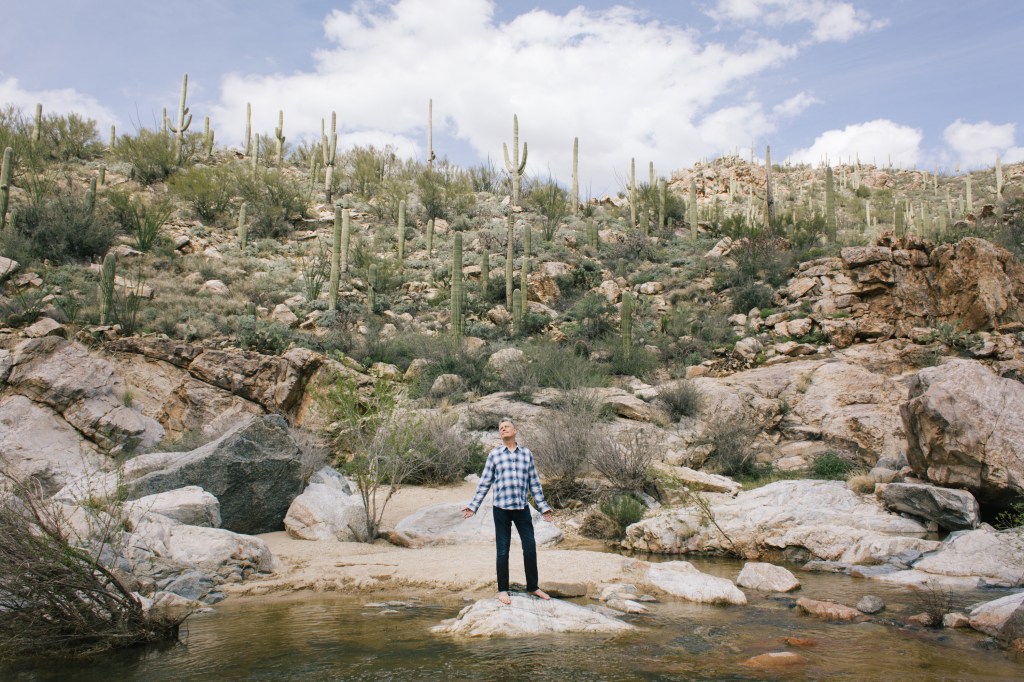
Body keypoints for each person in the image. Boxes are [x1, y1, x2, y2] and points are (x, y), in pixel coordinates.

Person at [463, 417, 554, 605]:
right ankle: (503, 590)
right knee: (502, 550)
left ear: (515, 430)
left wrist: (543, 508)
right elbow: (485, 482)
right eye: (500, 428)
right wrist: (474, 505)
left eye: (506, 427)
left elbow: (534, 483)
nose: (503, 429)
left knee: (530, 547)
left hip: (522, 508)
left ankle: (533, 587)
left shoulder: (526, 454)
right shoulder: (494, 455)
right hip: (501, 509)